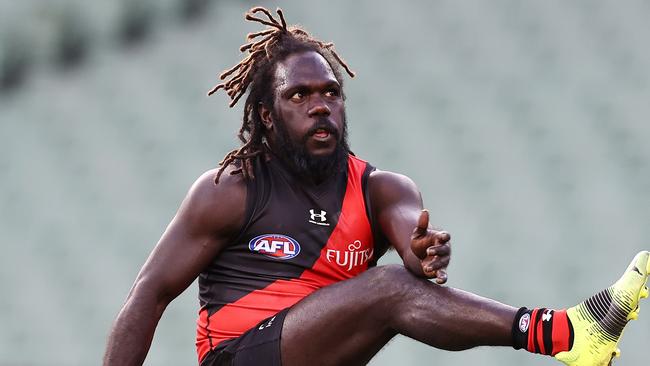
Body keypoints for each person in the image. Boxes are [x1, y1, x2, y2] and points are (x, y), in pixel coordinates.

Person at [103, 7, 649, 366]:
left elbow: (413, 245)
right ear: (267, 116)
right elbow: (147, 296)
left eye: (331, 92)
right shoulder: (231, 188)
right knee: (386, 290)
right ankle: (567, 335)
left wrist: (423, 251)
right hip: (239, 358)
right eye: (299, 96)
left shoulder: (379, 189)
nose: (321, 105)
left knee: (397, 287)